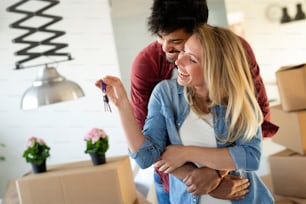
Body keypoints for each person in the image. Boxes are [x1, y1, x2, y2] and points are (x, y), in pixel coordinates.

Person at [96, 24, 274, 204]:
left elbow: (251, 157)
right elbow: (145, 157)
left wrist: (186, 153)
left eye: (192, 59)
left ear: (214, 70)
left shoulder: (239, 98)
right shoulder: (165, 94)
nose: (178, 61)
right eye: (183, 52)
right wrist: (122, 105)